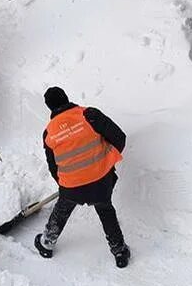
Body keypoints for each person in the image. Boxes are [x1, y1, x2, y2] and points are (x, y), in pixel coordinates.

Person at [34, 86, 131, 268]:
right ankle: (119, 251)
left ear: (49, 107)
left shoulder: (49, 132)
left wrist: (66, 184)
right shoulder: (89, 115)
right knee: (105, 210)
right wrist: (106, 161)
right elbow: (119, 137)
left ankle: (47, 243)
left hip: (71, 186)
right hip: (101, 181)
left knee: (62, 210)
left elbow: (53, 166)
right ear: (66, 98)